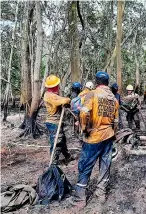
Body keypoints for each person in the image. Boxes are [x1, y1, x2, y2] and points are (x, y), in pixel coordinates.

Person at [71, 71, 119, 205]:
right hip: (109, 136)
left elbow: (84, 112)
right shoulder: (114, 100)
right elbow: (116, 121)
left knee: (85, 165)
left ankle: (80, 199)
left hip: (93, 137)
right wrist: (113, 134)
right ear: (107, 83)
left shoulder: (92, 94)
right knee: (105, 164)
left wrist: (85, 129)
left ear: (97, 82)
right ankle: (101, 194)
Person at [43, 74, 72, 165]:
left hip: (56, 122)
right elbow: (65, 100)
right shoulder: (50, 96)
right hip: (54, 123)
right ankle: (53, 163)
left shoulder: (52, 95)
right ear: (55, 86)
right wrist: (67, 99)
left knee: (62, 139)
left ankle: (67, 156)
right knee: (56, 142)